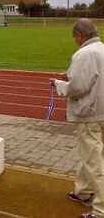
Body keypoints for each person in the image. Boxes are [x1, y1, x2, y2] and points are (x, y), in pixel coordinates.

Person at [51, 18, 104, 218]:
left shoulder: (84, 53)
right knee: (93, 154)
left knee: (93, 160)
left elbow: (78, 88)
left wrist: (59, 84)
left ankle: (100, 209)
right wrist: (69, 76)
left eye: (75, 37)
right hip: (102, 110)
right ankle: (83, 191)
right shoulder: (101, 49)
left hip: (90, 113)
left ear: (80, 35)